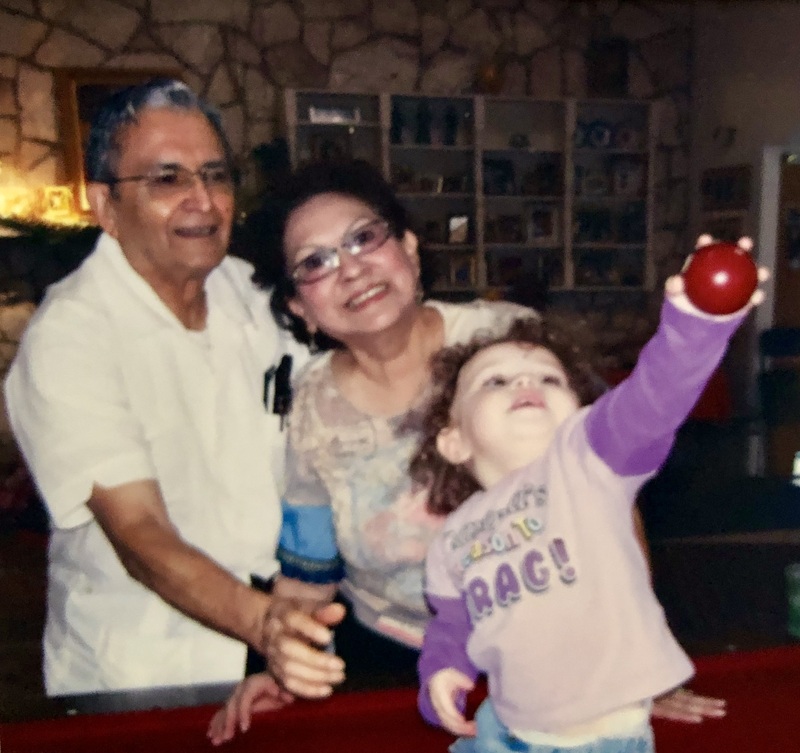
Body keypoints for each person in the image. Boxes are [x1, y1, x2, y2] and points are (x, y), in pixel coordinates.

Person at [205, 163, 724, 744]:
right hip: (391, 664)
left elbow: (609, 494)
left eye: (364, 238)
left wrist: (630, 658)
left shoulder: (506, 344)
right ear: (300, 308)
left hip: (555, 655)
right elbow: (309, 575)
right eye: (315, 262)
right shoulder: (310, 408)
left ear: (408, 249)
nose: (351, 268)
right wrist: (285, 663)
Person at [3, 79, 342, 696]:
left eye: (216, 175)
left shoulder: (258, 293)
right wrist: (264, 624)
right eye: (167, 179)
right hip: (145, 672)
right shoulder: (71, 336)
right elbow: (138, 532)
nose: (203, 202)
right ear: (105, 205)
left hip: (285, 651)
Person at [409, 236, 765, 752]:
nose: (525, 383)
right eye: (496, 380)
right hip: (501, 728)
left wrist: (695, 324)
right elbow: (453, 623)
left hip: (598, 741)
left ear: (578, 412)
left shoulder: (587, 462)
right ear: (454, 439)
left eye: (549, 378)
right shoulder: (453, 539)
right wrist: (441, 672)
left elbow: (655, 396)